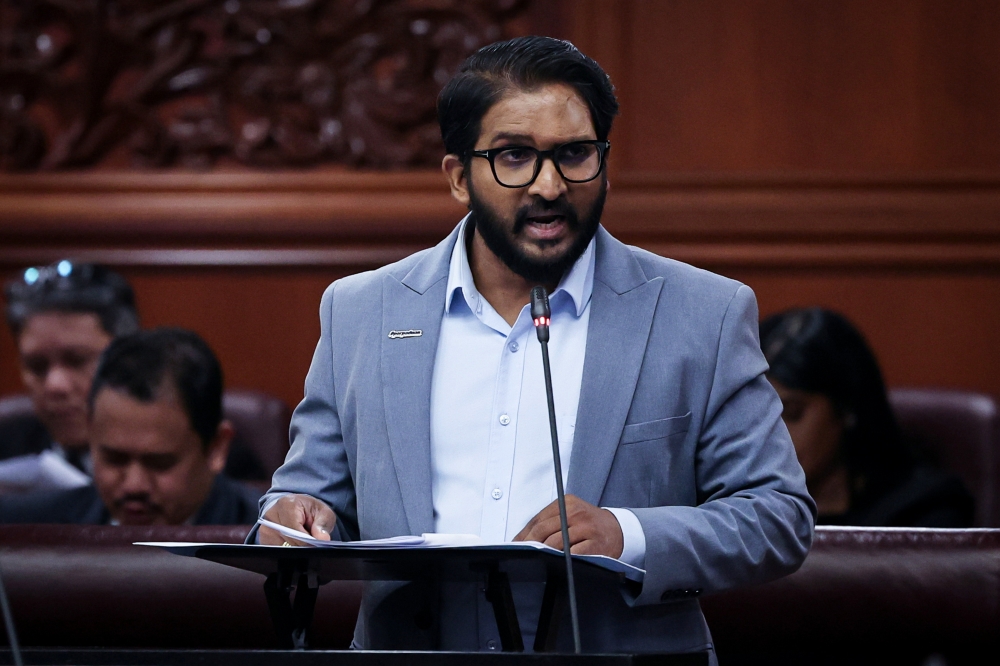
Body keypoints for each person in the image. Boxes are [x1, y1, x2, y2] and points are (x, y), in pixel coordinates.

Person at [256, 36, 815, 655]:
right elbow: (310, 495)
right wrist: (295, 517)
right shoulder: (361, 312)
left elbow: (777, 517)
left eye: (575, 154)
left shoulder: (701, 313)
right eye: (515, 156)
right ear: (458, 178)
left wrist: (627, 535)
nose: (549, 186)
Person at [0, 328, 261, 525]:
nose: (134, 486)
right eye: (114, 459)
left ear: (217, 448)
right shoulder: (24, 529)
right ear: (91, 432)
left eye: (159, 463)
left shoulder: (271, 541)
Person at [760, 307, 974, 527]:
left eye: (793, 413)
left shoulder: (923, 511)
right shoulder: (739, 513)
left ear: (845, 408)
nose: (772, 434)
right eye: (759, 415)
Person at [1, 260, 140, 479]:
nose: (55, 385)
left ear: (131, 360)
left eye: (78, 360)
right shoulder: (6, 450)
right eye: (37, 366)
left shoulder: (181, 454)